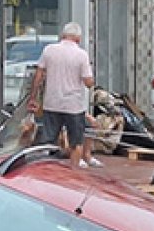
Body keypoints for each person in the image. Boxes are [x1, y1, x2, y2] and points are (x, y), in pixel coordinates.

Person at [29, 22, 103, 168]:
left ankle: (45, 171)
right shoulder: (81, 55)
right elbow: (88, 82)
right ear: (78, 39)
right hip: (73, 106)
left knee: (48, 141)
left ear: (62, 36)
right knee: (76, 142)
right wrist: (91, 80)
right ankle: (73, 172)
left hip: (52, 103)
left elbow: (38, 75)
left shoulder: (49, 50)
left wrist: (33, 97)